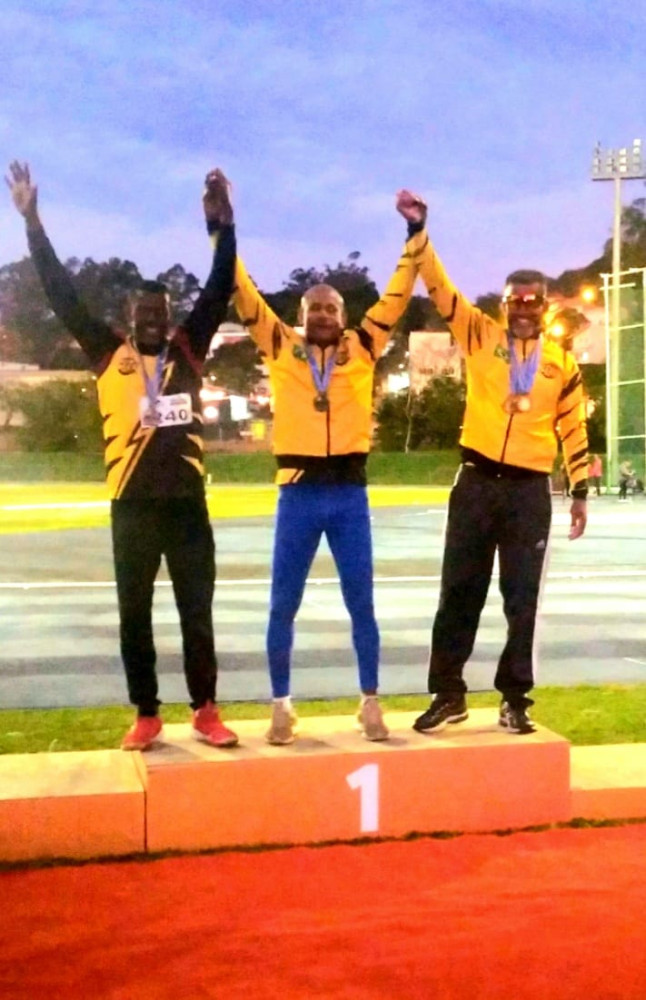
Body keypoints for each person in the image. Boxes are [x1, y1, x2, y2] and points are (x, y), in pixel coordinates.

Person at [7, 161, 239, 752]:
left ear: (170, 317)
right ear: (130, 321)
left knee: (197, 614)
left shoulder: (190, 345)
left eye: (161, 314)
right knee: (133, 615)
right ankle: (146, 713)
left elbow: (219, 285)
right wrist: (32, 222)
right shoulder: (107, 351)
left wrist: (223, 226)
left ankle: (206, 710)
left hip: (188, 507)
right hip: (131, 508)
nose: (155, 323)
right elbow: (60, 292)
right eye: (144, 316)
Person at [203, 171, 428, 745]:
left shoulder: (366, 346)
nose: (324, 314)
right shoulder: (282, 345)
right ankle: (282, 705)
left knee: (362, 603)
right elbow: (241, 290)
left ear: (345, 315)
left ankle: (370, 702)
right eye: (315, 308)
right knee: (284, 603)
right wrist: (220, 227)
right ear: (302, 316)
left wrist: (415, 234)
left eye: (332, 307)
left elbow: (399, 296)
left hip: (349, 494)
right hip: (298, 493)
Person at [399, 189, 589, 735]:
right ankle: (449, 693)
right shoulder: (480, 335)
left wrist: (578, 491)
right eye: (516, 301)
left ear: (545, 305)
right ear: (504, 304)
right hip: (477, 480)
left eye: (533, 301)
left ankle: (515, 699)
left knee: (521, 599)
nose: (524, 309)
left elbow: (574, 426)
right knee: (458, 589)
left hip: (529, 491)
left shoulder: (561, 364)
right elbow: (439, 288)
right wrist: (418, 231)